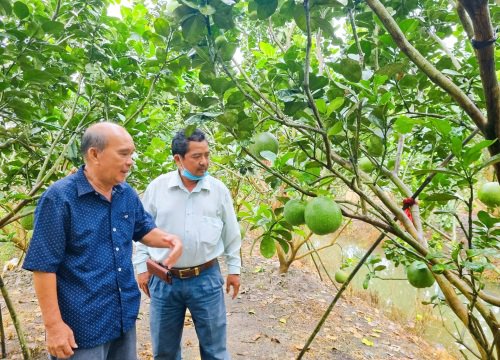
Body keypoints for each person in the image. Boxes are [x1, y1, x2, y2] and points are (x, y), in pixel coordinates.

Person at [22, 122, 183, 360]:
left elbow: (143, 229)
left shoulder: (124, 193)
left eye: (132, 154)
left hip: (122, 317)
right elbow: (43, 267)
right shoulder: (59, 199)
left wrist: (170, 240)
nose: (130, 161)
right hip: (81, 327)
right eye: (123, 154)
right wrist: (54, 327)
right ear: (94, 154)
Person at [133, 128, 241, 360]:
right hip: (165, 280)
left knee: (215, 350)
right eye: (196, 157)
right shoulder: (157, 188)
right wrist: (142, 267)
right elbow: (141, 229)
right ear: (178, 159)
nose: (204, 162)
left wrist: (235, 270)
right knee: (164, 351)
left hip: (206, 278)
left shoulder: (218, 191)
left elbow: (232, 233)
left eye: (207, 155)